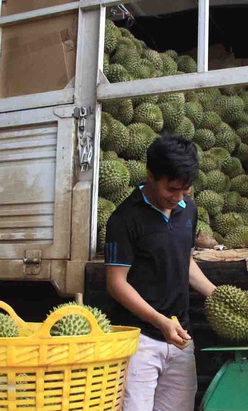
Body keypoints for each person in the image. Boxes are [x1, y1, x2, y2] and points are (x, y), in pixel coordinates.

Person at [104, 134, 217, 410]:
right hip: (138, 341)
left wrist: (216, 293)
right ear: (151, 175)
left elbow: (184, 262)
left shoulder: (188, 209)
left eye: (185, 190)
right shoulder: (124, 218)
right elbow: (116, 283)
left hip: (180, 338)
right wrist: (160, 321)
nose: (177, 198)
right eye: (171, 190)